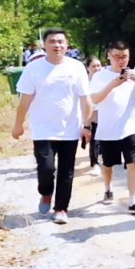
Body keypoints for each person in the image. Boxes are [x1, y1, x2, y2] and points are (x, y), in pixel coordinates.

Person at [11, 29, 92, 225]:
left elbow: (86, 99)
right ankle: (46, 193)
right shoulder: (34, 68)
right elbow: (25, 100)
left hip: (69, 130)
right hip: (43, 129)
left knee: (67, 171)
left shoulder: (77, 67)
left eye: (61, 42)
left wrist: (87, 125)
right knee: (45, 168)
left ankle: (61, 208)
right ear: (44, 45)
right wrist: (18, 125)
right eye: (53, 42)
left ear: (67, 45)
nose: (57, 45)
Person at [90, 40, 135, 213]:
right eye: (117, 57)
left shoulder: (134, 74)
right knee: (107, 164)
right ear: (109, 56)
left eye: (125, 57)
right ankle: (108, 188)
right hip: (108, 129)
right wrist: (113, 84)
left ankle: (133, 201)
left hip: (130, 127)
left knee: (133, 163)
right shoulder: (100, 76)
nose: (121, 61)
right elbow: (95, 99)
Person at [84, 56, 103, 177]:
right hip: (91, 112)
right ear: (87, 68)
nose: (97, 69)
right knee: (94, 138)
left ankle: (101, 158)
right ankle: (95, 163)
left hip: (105, 111)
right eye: (93, 66)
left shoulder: (104, 80)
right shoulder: (84, 82)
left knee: (103, 138)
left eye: (98, 66)